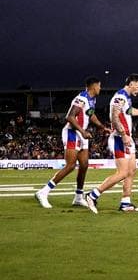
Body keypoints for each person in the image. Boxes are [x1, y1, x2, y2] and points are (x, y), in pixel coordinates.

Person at [83, 74, 138, 213]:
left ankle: (125, 203)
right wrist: (123, 135)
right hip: (119, 138)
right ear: (131, 84)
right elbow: (114, 117)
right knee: (122, 173)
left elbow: (129, 111)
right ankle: (92, 195)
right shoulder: (120, 97)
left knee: (131, 171)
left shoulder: (126, 98)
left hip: (127, 138)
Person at [35, 77, 111, 209]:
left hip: (81, 134)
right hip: (72, 132)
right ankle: (43, 192)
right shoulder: (81, 98)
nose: (100, 88)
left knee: (84, 165)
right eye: (99, 86)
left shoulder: (92, 99)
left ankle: (78, 197)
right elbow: (70, 116)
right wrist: (82, 131)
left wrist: (102, 127)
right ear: (93, 86)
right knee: (70, 166)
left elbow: (91, 114)